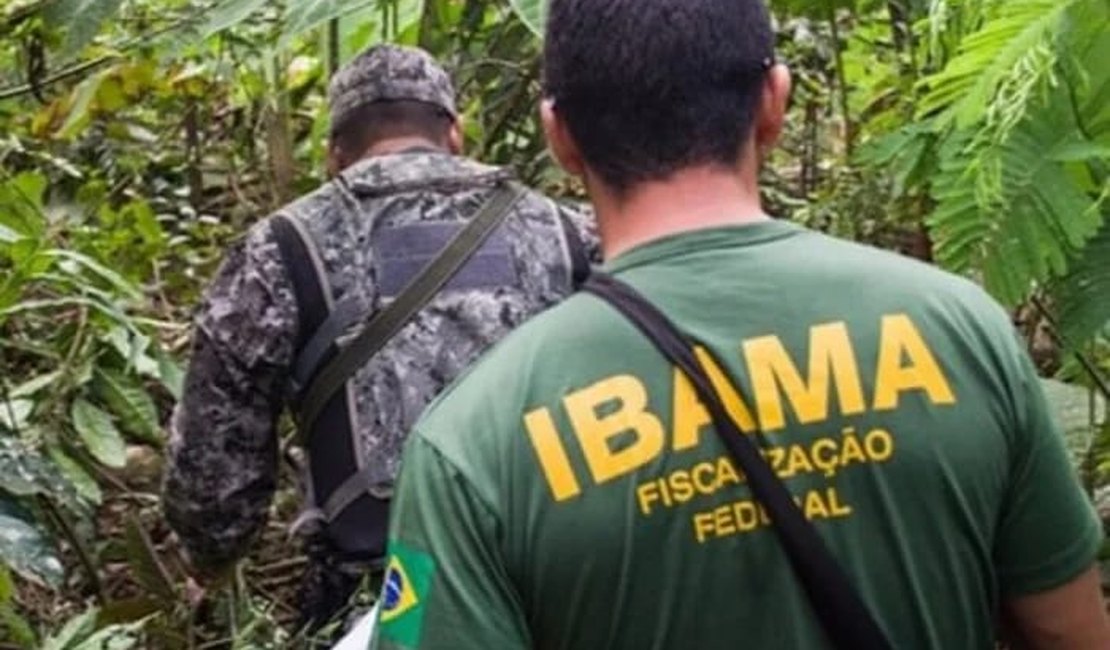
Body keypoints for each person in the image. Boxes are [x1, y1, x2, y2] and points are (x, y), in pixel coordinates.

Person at [370, 1, 1110, 648]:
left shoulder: (471, 446)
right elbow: (1068, 630)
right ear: (773, 102)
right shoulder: (959, 330)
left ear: (559, 136)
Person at [162, 44, 597, 631]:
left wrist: (211, 561)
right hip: (565, 582)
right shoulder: (566, 230)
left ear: (334, 155)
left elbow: (212, 480)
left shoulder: (281, 248)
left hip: (391, 602)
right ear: (456, 134)